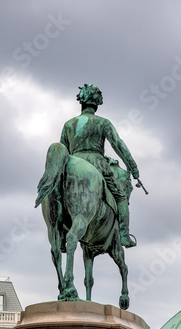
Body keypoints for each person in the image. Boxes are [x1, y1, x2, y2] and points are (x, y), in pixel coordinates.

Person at [59, 83, 140, 248]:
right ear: (96, 103)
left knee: (59, 194)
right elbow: (118, 144)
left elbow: (63, 150)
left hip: (72, 163)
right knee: (121, 197)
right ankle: (124, 235)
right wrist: (132, 167)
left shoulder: (68, 124)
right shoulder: (103, 123)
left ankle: (60, 235)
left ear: (81, 102)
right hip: (97, 163)